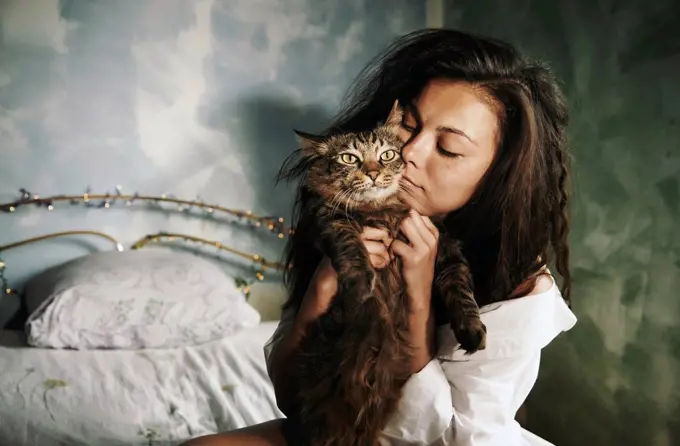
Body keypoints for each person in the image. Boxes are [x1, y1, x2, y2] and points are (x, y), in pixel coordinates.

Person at [182, 28, 577, 446]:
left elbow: (449, 437)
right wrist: (321, 289)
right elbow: (290, 397)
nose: (409, 153)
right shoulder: (345, 220)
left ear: (499, 175)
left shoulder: (523, 290)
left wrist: (419, 299)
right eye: (408, 125)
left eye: (447, 148)